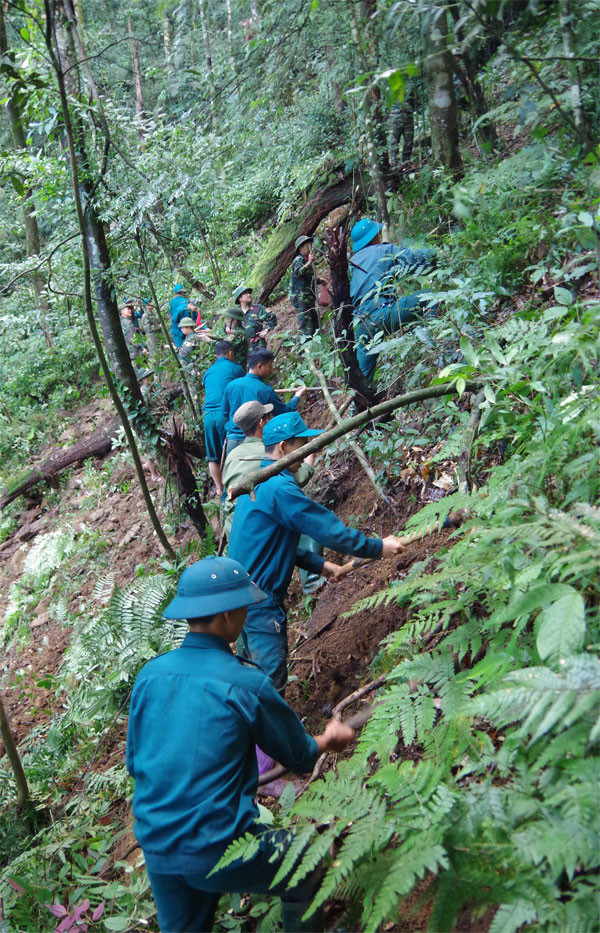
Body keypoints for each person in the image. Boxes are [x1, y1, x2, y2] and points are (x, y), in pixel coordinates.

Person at [127, 555, 354, 933]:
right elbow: (299, 755)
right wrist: (328, 739)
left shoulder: (149, 677)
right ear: (228, 615)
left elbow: (135, 764)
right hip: (218, 847)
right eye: (244, 607)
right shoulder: (245, 683)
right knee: (308, 862)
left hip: (158, 848)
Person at [228, 412, 407, 691]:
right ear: (283, 447)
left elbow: (273, 544)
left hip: (241, 601)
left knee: (253, 683)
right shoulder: (279, 488)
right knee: (270, 688)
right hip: (260, 605)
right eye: (302, 445)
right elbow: (329, 531)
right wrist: (378, 547)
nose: (306, 453)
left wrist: (321, 566)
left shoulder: (256, 482)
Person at [349, 217, 437, 382]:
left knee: (362, 380)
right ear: (374, 237)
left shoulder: (350, 264)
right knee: (430, 296)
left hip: (360, 324)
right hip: (384, 313)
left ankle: (357, 399)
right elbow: (416, 259)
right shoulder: (384, 250)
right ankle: (436, 347)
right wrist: (440, 255)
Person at [221, 400, 315, 537]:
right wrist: (309, 454)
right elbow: (300, 478)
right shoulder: (270, 452)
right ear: (262, 423)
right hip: (258, 530)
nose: (271, 419)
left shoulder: (232, 455)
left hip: (233, 529)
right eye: (269, 416)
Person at [221, 347, 306, 456]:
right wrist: (297, 396)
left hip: (232, 440)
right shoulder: (265, 390)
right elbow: (284, 412)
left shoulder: (231, 385)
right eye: (269, 366)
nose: (271, 369)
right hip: (255, 442)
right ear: (260, 366)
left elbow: (225, 412)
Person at [203, 341, 245, 496]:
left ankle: (219, 489)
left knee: (213, 456)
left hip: (208, 416)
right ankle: (233, 487)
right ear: (230, 353)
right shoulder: (236, 369)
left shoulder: (208, 372)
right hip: (224, 414)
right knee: (230, 451)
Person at [288, 235, 319, 337]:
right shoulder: (298, 260)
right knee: (305, 325)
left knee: (313, 322)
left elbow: (309, 279)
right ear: (301, 248)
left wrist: (319, 281)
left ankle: (314, 342)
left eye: (311, 244)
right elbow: (299, 273)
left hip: (308, 298)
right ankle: (303, 343)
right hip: (301, 298)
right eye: (307, 245)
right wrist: (309, 262)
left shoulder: (306, 260)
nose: (310, 247)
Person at [233, 285, 277, 349]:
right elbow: (228, 329)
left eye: (249, 293)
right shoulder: (235, 313)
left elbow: (272, 317)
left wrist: (266, 330)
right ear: (240, 298)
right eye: (246, 293)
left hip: (258, 346)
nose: (249, 295)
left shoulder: (258, 309)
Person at [169, 284, 199, 348]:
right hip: (184, 328)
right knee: (187, 347)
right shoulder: (185, 302)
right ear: (182, 292)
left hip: (177, 329)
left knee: (181, 348)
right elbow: (194, 316)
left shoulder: (172, 302)